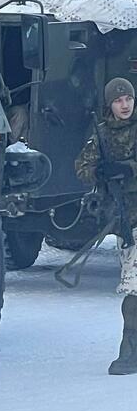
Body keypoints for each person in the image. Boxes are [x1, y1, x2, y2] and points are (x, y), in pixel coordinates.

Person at [75, 77, 137, 374]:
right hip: (125, 219)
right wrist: (99, 172)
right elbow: (81, 167)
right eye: (118, 100)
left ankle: (129, 353)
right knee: (133, 285)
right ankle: (130, 353)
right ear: (110, 104)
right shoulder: (101, 135)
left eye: (128, 99)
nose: (124, 105)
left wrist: (128, 169)